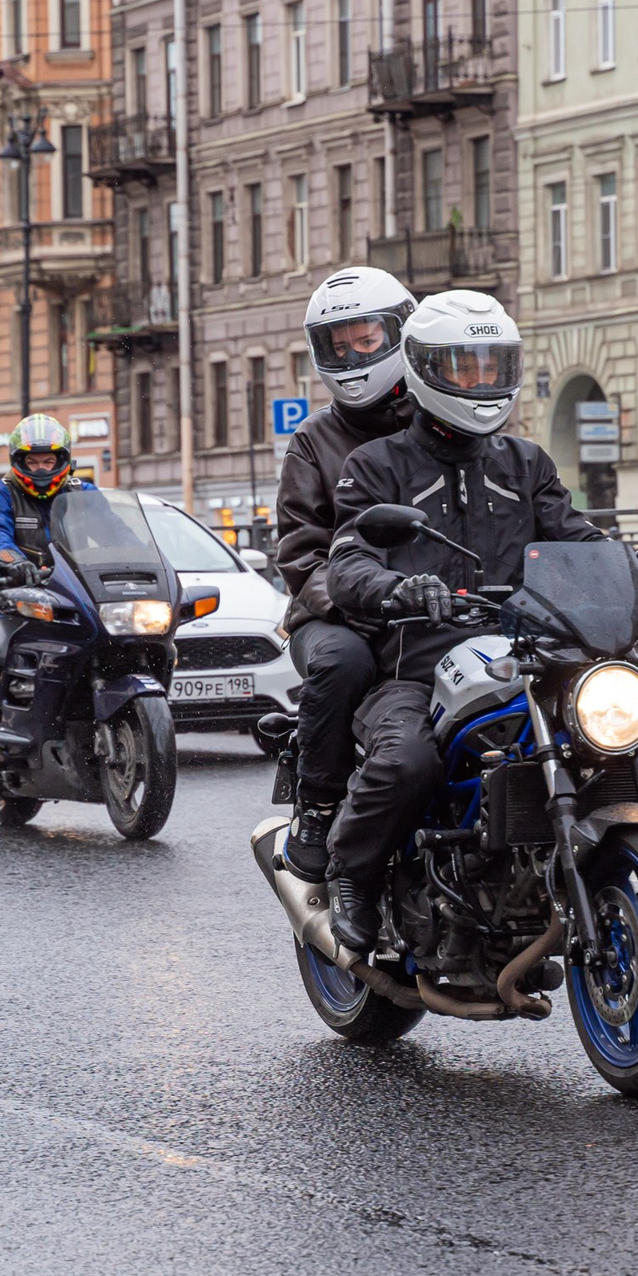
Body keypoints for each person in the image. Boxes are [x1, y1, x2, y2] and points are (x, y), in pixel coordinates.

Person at [320, 290, 638, 955]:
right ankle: (351, 873)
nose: (482, 382)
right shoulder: (375, 467)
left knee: (601, 735)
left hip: (528, 650)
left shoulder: (526, 465)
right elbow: (347, 561)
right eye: (465, 368)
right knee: (407, 760)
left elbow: (578, 539)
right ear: (424, 368)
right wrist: (397, 585)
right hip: (417, 662)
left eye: (493, 366)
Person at [270, 266, 418, 881]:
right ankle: (318, 801)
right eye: (339, 344)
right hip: (335, 611)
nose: (353, 354)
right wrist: (364, 597)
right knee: (345, 661)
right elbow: (301, 553)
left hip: (433, 603)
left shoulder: (444, 423)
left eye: (366, 339)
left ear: (402, 333)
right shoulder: (313, 441)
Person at [0, 413, 97, 745]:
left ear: (62, 459)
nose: (40, 469)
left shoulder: (83, 492)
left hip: (75, 595)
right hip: (16, 597)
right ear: (18, 461)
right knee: (1, 650)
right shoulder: (1, 493)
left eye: (48, 460)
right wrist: (14, 563)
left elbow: (115, 531)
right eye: (33, 461)